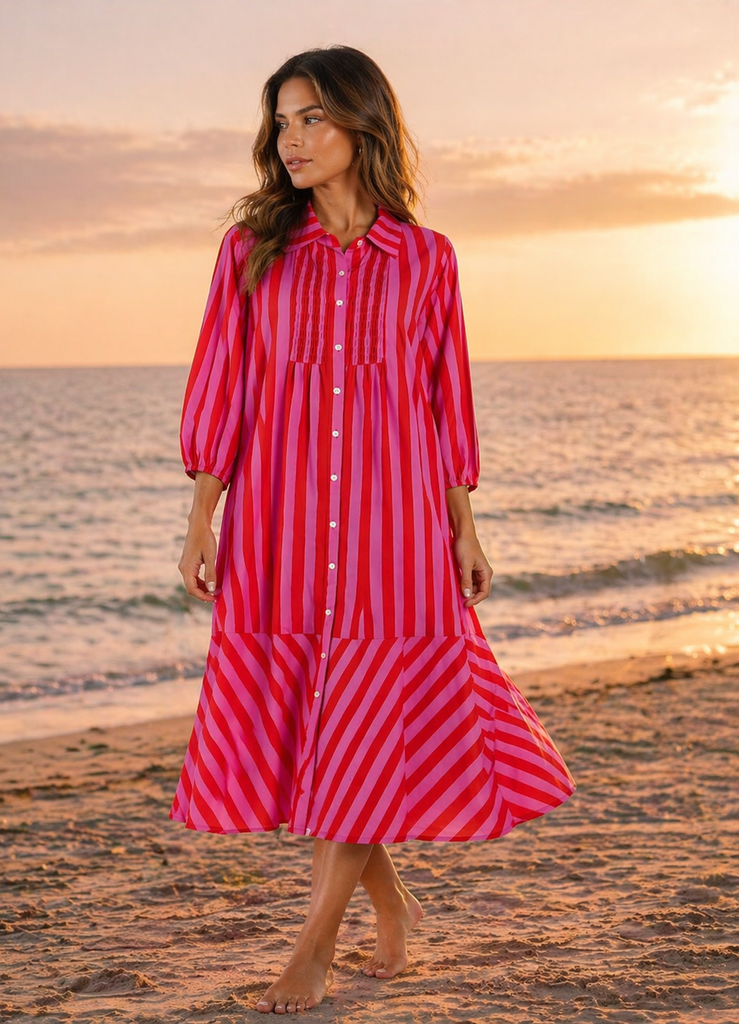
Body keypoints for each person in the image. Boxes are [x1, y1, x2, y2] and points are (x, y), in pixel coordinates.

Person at [171, 45, 575, 1014]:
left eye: (311, 118)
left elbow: (444, 407)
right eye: (281, 122)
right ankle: (393, 898)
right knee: (328, 730)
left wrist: (464, 528)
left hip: (396, 533)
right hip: (282, 527)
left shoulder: (428, 261)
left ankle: (312, 946)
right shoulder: (253, 252)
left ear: (362, 122)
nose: (292, 139)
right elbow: (224, 388)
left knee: (360, 730)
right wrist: (202, 517)